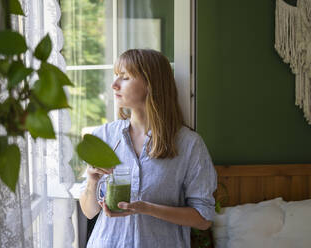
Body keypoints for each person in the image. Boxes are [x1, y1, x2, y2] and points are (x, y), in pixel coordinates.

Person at [79, 49, 217, 248]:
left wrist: (147, 208)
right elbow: (89, 211)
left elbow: (203, 219)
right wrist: (92, 181)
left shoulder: (189, 144)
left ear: (151, 84)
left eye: (125, 77)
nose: (114, 85)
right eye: (116, 76)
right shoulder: (104, 136)